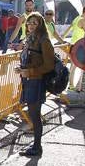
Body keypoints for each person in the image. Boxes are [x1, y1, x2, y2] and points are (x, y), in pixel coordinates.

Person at [14, 12, 55, 157]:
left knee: (35, 115)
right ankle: (36, 146)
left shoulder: (44, 40)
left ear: (41, 25)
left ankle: (37, 147)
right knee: (32, 115)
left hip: (37, 82)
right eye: (29, 22)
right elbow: (29, 59)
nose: (31, 25)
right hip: (28, 81)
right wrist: (21, 69)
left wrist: (29, 72)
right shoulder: (29, 39)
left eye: (34, 23)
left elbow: (49, 65)